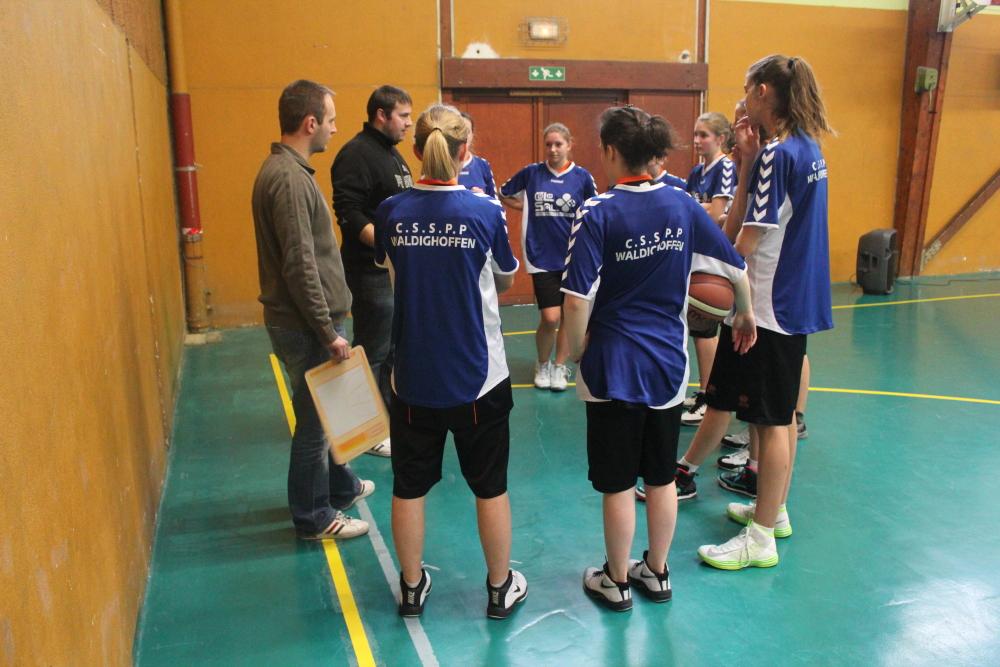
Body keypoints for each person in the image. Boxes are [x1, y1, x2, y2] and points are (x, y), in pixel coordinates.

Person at [561, 106, 754, 610]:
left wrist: (575, 353)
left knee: (617, 484)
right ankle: (658, 572)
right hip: (668, 365)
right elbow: (734, 265)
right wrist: (745, 313)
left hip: (611, 366)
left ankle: (616, 580)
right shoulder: (682, 202)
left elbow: (576, 301)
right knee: (661, 476)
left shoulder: (598, 211)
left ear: (610, 151)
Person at [374, 104, 526, 620]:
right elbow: (506, 277)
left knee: (409, 486)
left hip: (413, 376)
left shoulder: (391, 211)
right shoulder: (485, 211)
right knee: (491, 486)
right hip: (480, 379)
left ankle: (411, 587)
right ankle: (500, 588)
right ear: (466, 152)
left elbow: (388, 265)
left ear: (416, 149)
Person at [691, 55, 834, 570]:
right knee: (779, 417)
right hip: (798, 295)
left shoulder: (778, 154)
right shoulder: (807, 147)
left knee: (772, 423)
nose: (745, 100)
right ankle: (774, 511)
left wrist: (713, 274)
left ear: (765, 92)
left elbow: (745, 238)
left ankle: (760, 538)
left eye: (748, 89)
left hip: (771, 302)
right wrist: (748, 161)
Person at [251, 80, 374, 541]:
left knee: (328, 412)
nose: (334, 128)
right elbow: (300, 264)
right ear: (310, 123)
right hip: (306, 327)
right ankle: (314, 516)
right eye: (330, 120)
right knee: (314, 424)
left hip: (307, 323)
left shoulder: (291, 171)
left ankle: (340, 487)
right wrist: (327, 331)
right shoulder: (288, 179)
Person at [331, 85, 415, 457]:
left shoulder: (393, 155)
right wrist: (384, 246)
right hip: (369, 272)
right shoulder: (356, 154)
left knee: (393, 348)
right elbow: (349, 212)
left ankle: (388, 417)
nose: (409, 123)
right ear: (381, 115)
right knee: (373, 350)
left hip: (394, 271)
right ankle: (367, 432)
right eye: (403, 116)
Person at [499, 123, 598, 392]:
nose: (553, 149)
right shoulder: (532, 173)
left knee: (567, 315)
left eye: (558, 144)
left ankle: (559, 365)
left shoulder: (582, 177)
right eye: (548, 144)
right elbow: (504, 192)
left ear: (569, 145)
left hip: (572, 257)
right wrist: (526, 206)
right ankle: (542, 363)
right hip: (540, 255)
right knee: (550, 317)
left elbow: (595, 209)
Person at [680, 112, 737, 428]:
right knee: (697, 329)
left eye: (703, 134)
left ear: (720, 138)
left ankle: (709, 394)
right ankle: (705, 390)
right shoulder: (695, 171)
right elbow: (691, 209)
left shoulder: (725, 167)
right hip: (696, 255)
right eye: (695, 134)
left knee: (705, 329)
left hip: (715, 258)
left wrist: (698, 209)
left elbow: (716, 214)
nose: (697, 140)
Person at [457, 111, 497, 196]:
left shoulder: (482, 165)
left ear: (472, 134)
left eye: (467, 131)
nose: (463, 135)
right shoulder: (442, 166)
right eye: (459, 130)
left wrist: (482, 198)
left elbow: (494, 201)